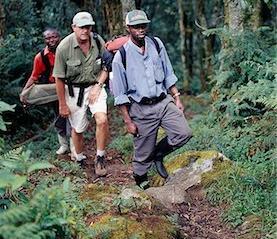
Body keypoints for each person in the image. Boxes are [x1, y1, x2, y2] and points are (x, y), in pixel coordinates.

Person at [112, 10, 192, 188]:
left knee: (183, 133)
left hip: (163, 102)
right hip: (141, 108)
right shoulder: (121, 57)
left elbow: (168, 73)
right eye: (136, 26)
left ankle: (159, 154)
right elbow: (120, 95)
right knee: (142, 155)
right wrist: (128, 122)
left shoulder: (156, 44)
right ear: (128, 28)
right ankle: (141, 182)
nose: (141, 29)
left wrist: (177, 98)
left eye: (143, 25)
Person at [53, 12, 109, 177]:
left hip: (95, 86)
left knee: (102, 120)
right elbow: (59, 79)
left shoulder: (98, 41)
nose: (85, 30)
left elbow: (107, 66)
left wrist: (98, 86)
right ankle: (78, 158)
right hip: (74, 91)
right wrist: (62, 104)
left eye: (88, 27)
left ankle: (100, 158)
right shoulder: (64, 47)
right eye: (81, 27)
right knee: (78, 128)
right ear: (74, 27)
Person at [20, 28, 72, 156]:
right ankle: (63, 145)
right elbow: (34, 76)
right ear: (45, 40)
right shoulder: (41, 57)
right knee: (59, 115)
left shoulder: (68, 50)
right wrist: (24, 92)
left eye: (54, 37)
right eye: (48, 38)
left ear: (59, 37)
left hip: (71, 87)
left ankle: (74, 145)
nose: (51, 40)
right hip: (54, 90)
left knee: (73, 115)